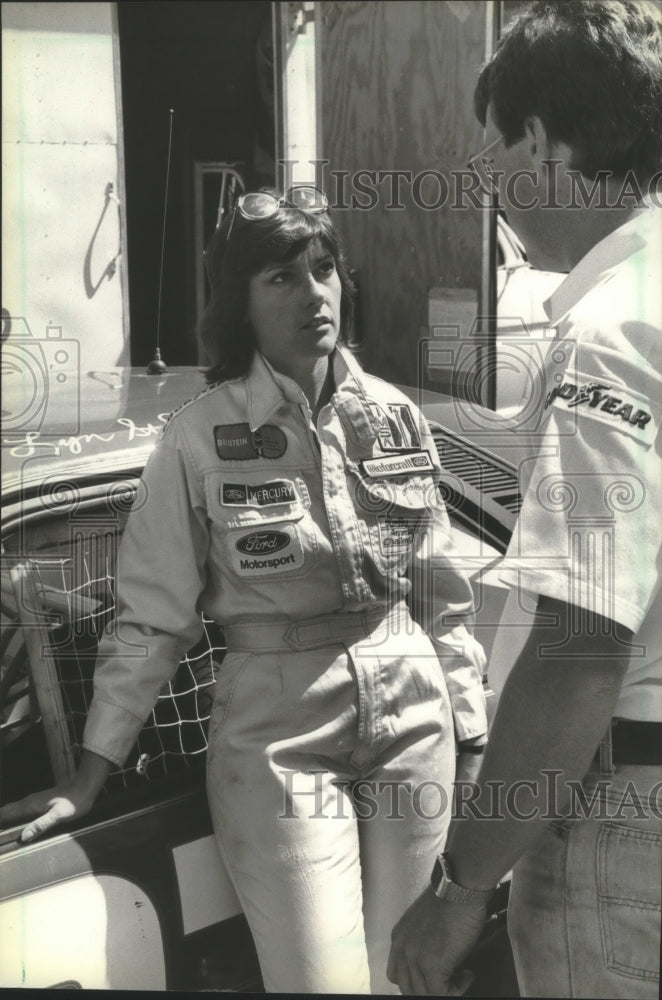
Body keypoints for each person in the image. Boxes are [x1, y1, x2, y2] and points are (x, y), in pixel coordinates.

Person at [0, 186, 487, 994]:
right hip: (277, 731)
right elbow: (152, 618)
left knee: (414, 975)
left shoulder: (398, 417)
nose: (313, 294)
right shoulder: (194, 438)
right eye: (281, 278)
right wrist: (90, 772)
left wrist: (469, 733)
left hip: (414, 712)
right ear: (240, 303)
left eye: (324, 269)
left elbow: (442, 593)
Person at [388, 2, 662, 997]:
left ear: (540, 145)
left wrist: (459, 885)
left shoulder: (608, 335)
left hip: (621, 820)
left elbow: (579, 652)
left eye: (495, 148)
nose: (489, 182)